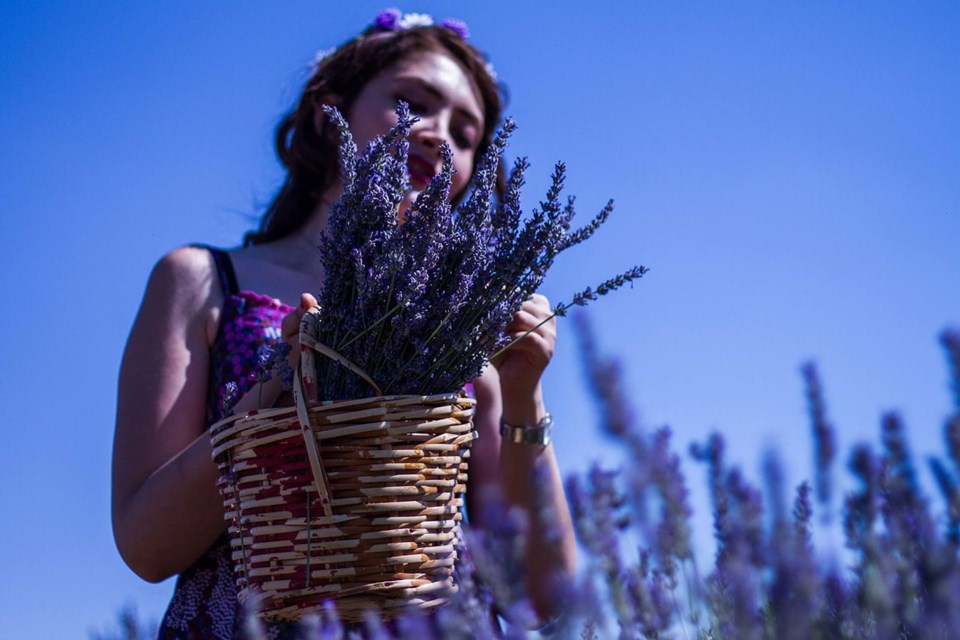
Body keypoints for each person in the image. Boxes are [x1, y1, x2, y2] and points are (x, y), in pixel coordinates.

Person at [112, 10, 575, 639]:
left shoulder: (464, 339)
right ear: (332, 112)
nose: (439, 136)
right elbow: (147, 545)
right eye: (412, 102)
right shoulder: (201, 281)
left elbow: (547, 599)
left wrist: (525, 391)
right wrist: (282, 386)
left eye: (467, 135)